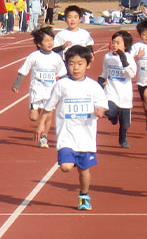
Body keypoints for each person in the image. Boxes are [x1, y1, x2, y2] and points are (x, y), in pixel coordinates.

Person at [44, 45, 109, 210]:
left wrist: (100, 110)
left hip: (86, 138)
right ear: (67, 65)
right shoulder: (61, 85)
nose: (75, 68)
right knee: (65, 167)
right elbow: (49, 106)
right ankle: (70, 159)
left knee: (83, 171)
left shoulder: (94, 86)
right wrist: (40, 126)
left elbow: (102, 104)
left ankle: (84, 195)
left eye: (80, 64)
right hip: (66, 135)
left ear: (87, 65)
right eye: (72, 64)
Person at [12, 27, 67, 148]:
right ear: (39, 43)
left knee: (48, 115)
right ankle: (41, 121)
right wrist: (17, 84)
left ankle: (44, 137)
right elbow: (24, 70)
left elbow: (63, 74)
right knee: (33, 117)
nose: (50, 43)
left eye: (51, 40)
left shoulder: (56, 58)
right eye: (46, 40)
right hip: (36, 92)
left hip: (50, 92)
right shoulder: (34, 56)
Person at [99, 30, 138, 148]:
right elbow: (105, 70)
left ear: (125, 45)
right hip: (110, 91)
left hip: (125, 96)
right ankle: (113, 115)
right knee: (109, 110)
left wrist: (124, 61)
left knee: (125, 124)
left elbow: (132, 74)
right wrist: (101, 79)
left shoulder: (129, 58)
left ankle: (123, 139)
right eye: (113, 42)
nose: (115, 45)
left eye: (118, 43)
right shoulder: (108, 56)